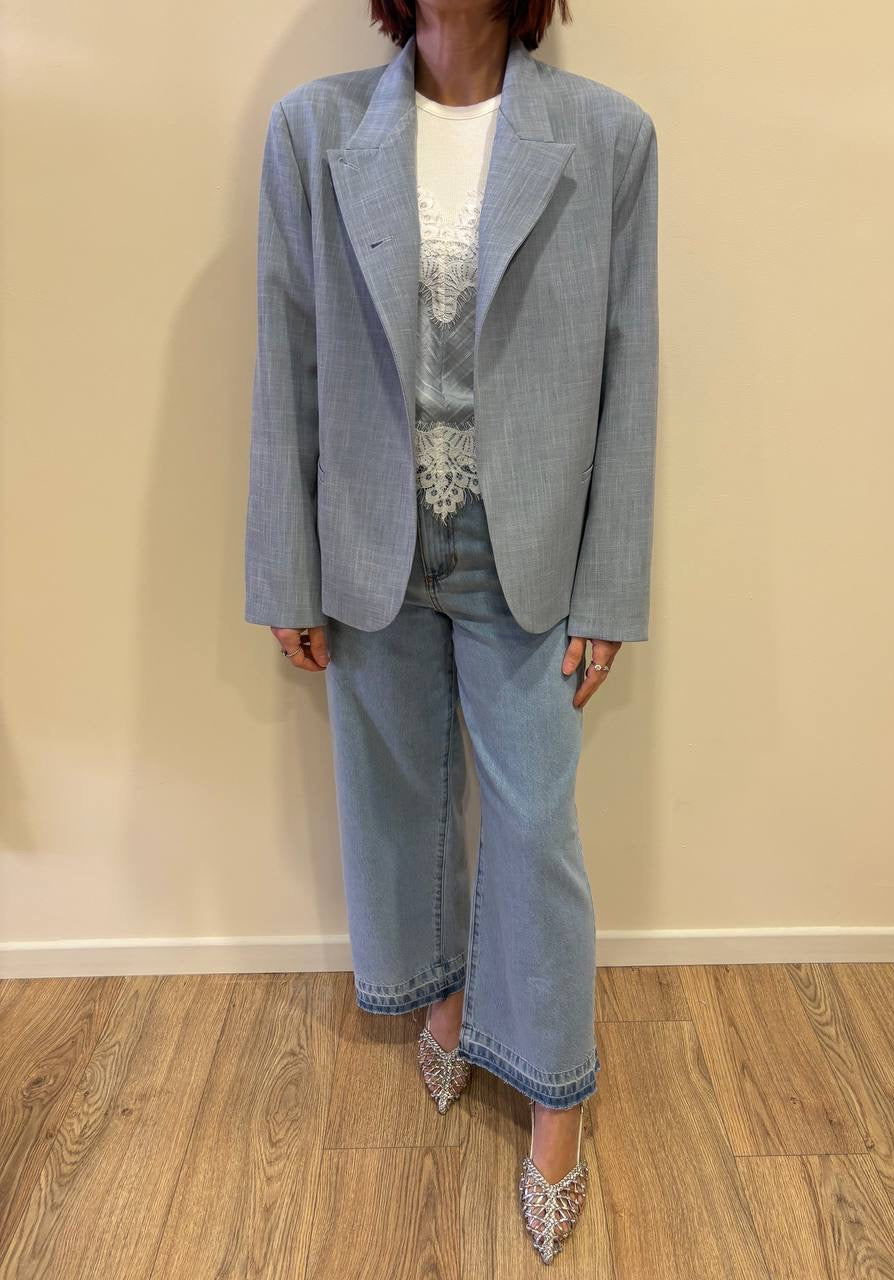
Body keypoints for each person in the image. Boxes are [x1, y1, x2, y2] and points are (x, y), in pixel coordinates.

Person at [244, 0, 659, 1263]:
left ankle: (556, 1091)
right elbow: (285, 351)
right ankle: (446, 999)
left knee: (534, 821)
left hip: (521, 539)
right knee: (396, 796)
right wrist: (287, 568)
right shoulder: (313, 132)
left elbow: (629, 366)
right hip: (370, 531)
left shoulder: (608, 137)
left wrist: (610, 589)